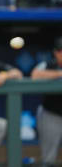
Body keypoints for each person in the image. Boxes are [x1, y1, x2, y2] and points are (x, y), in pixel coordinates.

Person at [31, 37, 62, 166]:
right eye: (60, 50)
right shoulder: (48, 64)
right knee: (48, 159)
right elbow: (35, 75)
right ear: (55, 52)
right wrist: (60, 74)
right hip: (51, 113)